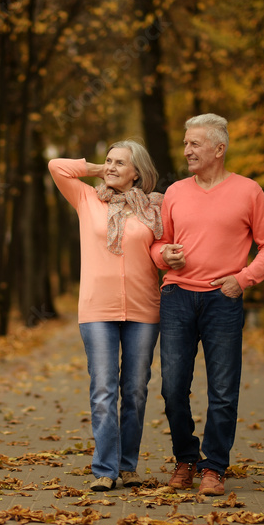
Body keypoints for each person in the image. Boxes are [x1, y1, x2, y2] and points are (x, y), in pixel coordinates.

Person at [150, 113, 264, 496]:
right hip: (177, 297)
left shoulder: (249, 191)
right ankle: (185, 458)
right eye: (186, 143)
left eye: (194, 143)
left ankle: (215, 467)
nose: (186, 149)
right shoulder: (175, 192)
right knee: (173, 387)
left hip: (222, 300)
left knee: (223, 389)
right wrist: (165, 257)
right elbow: (159, 244)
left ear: (218, 149)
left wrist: (243, 280)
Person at [48, 140, 164, 492]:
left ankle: (127, 465)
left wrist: (166, 255)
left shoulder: (155, 207)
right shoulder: (87, 198)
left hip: (144, 308)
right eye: (109, 160)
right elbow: (56, 166)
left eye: (119, 163)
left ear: (137, 173)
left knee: (136, 390)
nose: (112, 166)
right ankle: (104, 469)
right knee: (103, 389)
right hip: (97, 308)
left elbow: (158, 248)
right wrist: (99, 170)